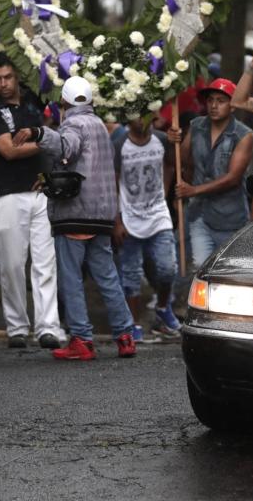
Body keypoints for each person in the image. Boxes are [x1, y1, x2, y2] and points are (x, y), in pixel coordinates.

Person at [13, 76, 136, 360]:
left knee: (71, 277)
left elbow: (67, 147)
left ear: (64, 103)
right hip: (102, 214)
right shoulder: (100, 127)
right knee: (107, 276)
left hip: (75, 212)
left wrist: (39, 133)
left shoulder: (74, 123)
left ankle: (81, 339)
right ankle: (125, 336)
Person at [0, 54, 62, 349]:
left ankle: (48, 326)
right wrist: (47, 139)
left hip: (40, 191)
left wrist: (41, 138)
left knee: (45, 264)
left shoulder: (33, 104)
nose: (3, 83)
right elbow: (8, 151)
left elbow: (50, 119)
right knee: (12, 265)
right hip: (8, 193)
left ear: (17, 78)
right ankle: (17, 327)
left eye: (8, 77)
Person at [172, 78, 253, 267]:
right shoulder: (196, 126)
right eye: (210, 100)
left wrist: (193, 190)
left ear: (232, 106)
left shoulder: (244, 135)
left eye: (221, 100)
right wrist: (175, 141)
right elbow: (180, 161)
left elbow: (233, 179)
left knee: (227, 273)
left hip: (230, 218)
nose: (214, 105)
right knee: (200, 268)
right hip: (199, 215)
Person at [112, 117, 181, 341]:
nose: (140, 120)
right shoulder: (120, 144)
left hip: (158, 215)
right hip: (130, 216)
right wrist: (117, 221)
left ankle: (162, 307)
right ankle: (132, 324)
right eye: (134, 115)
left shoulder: (162, 140)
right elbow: (113, 183)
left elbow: (172, 164)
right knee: (130, 277)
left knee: (168, 268)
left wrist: (165, 192)